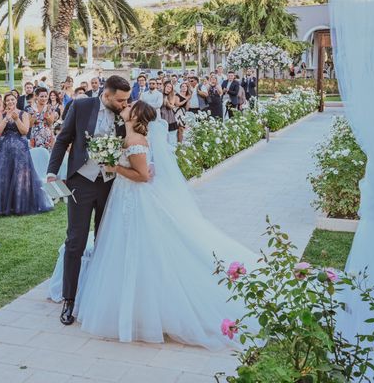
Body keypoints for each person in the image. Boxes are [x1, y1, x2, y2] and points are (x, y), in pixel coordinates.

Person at [49, 101, 257, 348]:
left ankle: (138, 309)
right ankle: (116, 303)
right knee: (119, 249)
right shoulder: (126, 131)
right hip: (119, 196)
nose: (124, 106)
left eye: (130, 105)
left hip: (132, 199)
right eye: (124, 102)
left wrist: (116, 168)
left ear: (135, 115)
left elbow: (143, 176)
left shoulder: (134, 139)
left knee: (137, 250)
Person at [46, 75, 131, 325]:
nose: (125, 104)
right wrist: (52, 172)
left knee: (108, 240)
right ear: (106, 94)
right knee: (75, 241)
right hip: (81, 183)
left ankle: (104, 299)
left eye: (126, 99)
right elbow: (63, 140)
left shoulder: (125, 112)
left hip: (110, 185)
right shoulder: (81, 106)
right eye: (120, 100)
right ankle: (69, 300)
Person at [0, 93, 53, 216]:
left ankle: (20, 206)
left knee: (20, 176)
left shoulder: (24, 114)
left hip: (20, 150)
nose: (10, 102)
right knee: (4, 176)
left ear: (16, 101)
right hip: (4, 150)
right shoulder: (2, 115)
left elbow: (24, 131)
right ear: (5, 102)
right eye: (8, 100)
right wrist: (6, 118)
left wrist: (16, 119)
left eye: (12, 99)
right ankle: (4, 206)